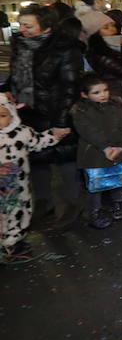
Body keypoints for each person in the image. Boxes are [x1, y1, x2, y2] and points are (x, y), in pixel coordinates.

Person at [1, 4, 83, 228]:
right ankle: (43, 203)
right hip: (27, 113)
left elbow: (70, 87)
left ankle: (72, 204)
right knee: (37, 162)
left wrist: (61, 123)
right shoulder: (20, 45)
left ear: (46, 27)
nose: (22, 30)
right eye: (21, 25)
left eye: (28, 25)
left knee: (65, 160)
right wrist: (8, 88)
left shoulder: (65, 48)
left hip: (56, 112)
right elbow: (17, 75)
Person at [0, 96, 69, 257]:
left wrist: (55, 134)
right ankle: (5, 245)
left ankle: (13, 242)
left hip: (19, 187)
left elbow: (39, 142)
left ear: (12, 114)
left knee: (21, 211)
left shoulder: (23, 133)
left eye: (2, 116)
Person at [71, 73, 122, 229]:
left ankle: (118, 204)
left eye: (105, 90)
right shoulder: (81, 110)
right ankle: (95, 213)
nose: (103, 95)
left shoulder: (116, 105)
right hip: (95, 153)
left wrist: (120, 146)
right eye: (96, 92)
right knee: (95, 185)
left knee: (118, 180)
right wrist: (105, 147)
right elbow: (88, 131)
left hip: (118, 151)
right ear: (84, 95)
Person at [85, 15, 122, 98]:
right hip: (113, 92)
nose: (112, 29)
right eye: (106, 28)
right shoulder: (99, 52)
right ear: (96, 33)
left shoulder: (117, 43)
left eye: (112, 25)